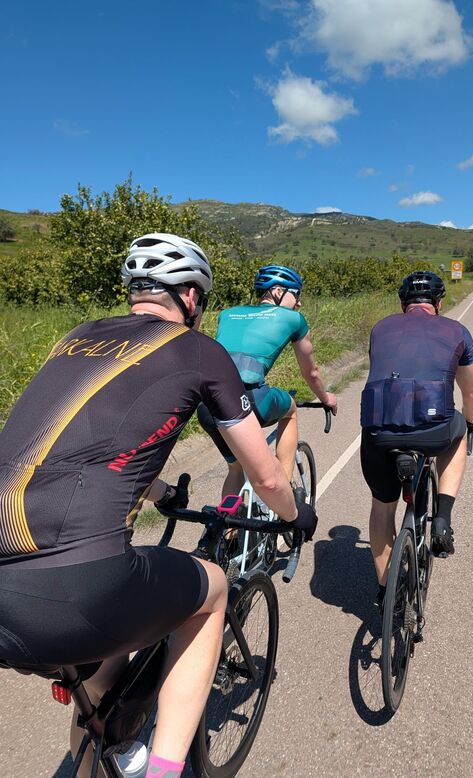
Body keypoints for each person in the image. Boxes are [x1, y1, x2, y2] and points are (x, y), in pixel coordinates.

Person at [0, 234, 317, 778]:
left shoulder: (75, 338)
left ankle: (100, 747)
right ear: (191, 297)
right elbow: (266, 475)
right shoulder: (197, 349)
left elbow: (91, 445)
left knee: (102, 684)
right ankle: (166, 769)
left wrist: (164, 494)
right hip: (78, 585)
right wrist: (296, 516)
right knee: (212, 591)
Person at [359, 270, 473, 610]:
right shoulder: (457, 330)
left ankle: (387, 593)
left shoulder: (380, 328)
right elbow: (471, 393)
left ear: (403, 304)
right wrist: (472, 418)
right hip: (434, 427)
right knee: (460, 432)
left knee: (382, 508)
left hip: (379, 431)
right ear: (439, 303)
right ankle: (443, 517)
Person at [198, 263, 337, 498]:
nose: (298, 303)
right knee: (290, 411)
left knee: (236, 468)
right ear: (278, 291)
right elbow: (311, 373)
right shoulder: (293, 318)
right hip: (251, 400)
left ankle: (228, 523)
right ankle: (284, 490)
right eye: (296, 294)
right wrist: (326, 398)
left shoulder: (227, 313)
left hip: (207, 405)